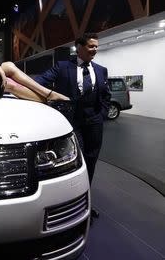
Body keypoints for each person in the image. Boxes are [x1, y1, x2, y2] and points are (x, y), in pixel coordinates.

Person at [35, 32, 111, 221]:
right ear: (79, 47)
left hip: (94, 122)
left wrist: (101, 115)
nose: (95, 49)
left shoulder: (101, 70)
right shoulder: (62, 67)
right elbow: (39, 82)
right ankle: (72, 202)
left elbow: (106, 96)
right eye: (91, 46)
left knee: (91, 161)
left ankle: (87, 200)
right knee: (77, 162)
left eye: (96, 46)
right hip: (71, 123)